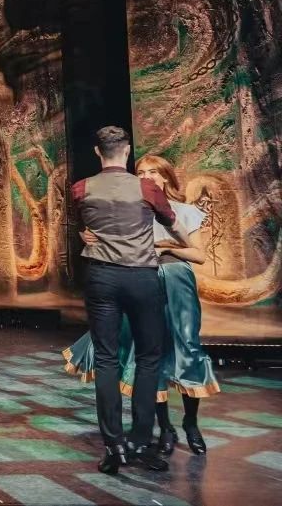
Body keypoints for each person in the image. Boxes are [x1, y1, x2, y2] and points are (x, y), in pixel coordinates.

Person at [62, 154, 216, 457]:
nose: (147, 177)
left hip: (178, 285)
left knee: (187, 348)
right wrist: (88, 237)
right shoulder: (133, 209)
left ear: (166, 177)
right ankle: (165, 428)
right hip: (144, 281)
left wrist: (162, 246)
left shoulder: (185, 212)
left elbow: (198, 255)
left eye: (153, 172)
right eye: (141, 172)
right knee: (148, 354)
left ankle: (191, 423)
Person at [71, 126, 189, 475]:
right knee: (149, 357)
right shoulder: (146, 188)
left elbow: (83, 223)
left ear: (97, 152)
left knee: (106, 359)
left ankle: (114, 445)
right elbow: (172, 223)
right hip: (140, 278)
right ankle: (139, 440)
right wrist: (184, 241)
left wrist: (89, 234)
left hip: (101, 277)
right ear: (127, 151)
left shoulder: (81, 188)